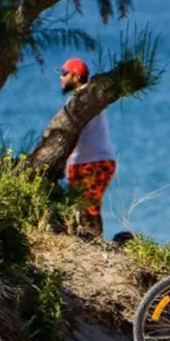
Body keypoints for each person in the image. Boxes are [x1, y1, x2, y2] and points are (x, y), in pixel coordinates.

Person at [59, 57, 117, 239]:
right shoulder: (88, 97)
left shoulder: (81, 100)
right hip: (91, 160)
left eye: (64, 73)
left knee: (87, 207)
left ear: (76, 77)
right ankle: (93, 242)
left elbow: (69, 134)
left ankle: (94, 243)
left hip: (92, 161)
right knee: (86, 207)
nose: (61, 78)